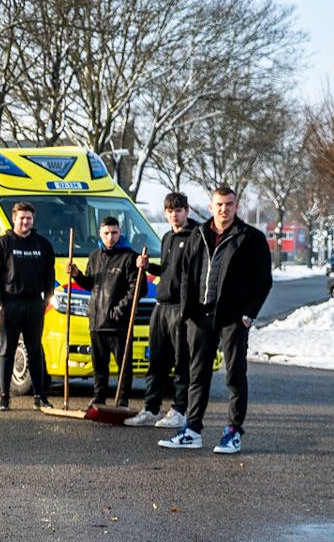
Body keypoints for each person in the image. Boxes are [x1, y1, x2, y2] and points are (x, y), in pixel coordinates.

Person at [159, 185, 273, 454]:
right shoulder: (198, 234)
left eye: (229, 204)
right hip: (200, 316)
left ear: (236, 206)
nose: (224, 209)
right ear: (211, 207)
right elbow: (187, 274)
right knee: (197, 375)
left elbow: (263, 281)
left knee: (235, 375)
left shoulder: (250, 237)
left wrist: (248, 314)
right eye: (219, 205)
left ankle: (233, 432)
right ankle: (192, 430)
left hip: (233, 318)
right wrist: (187, 312)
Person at [123, 192, 195, 428]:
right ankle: (151, 409)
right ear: (165, 213)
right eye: (170, 211)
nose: (175, 215)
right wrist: (148, 267)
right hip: (160, 307)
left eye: (179, 210)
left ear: (187, 211)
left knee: (181, 362)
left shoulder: (195, 236)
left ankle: (180, 410)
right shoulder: (166, 237)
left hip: (180, 308)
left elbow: (193, 275)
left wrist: (187, 308)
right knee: (156, 361)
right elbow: (167, 270)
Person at [66, 215, 143, 405]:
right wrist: (77, 275)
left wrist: (118, 311)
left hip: (118, 323)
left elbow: (138, 288)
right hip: (96, 320)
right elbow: (90, 284)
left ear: (120, 233)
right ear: (100, 234)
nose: (110, 237)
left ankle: (122, 400)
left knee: (123, 365)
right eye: (106, 233)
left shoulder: (130, 257)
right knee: (99, 365)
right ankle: (98, 398)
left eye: (114, 233)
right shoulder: (95, 256)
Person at [0, 201, 56, 410]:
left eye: (29, 218)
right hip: (10, 303)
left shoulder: (42, 245)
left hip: (34, 304)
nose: (25, 222)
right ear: (14, 219)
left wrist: (46, 300)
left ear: (33, 220)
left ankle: (39, 397)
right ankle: (4, 397)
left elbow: (49, 274)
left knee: (35, 351)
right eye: (22, 218)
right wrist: (0, 303)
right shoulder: (2, 244)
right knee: (6, 351)